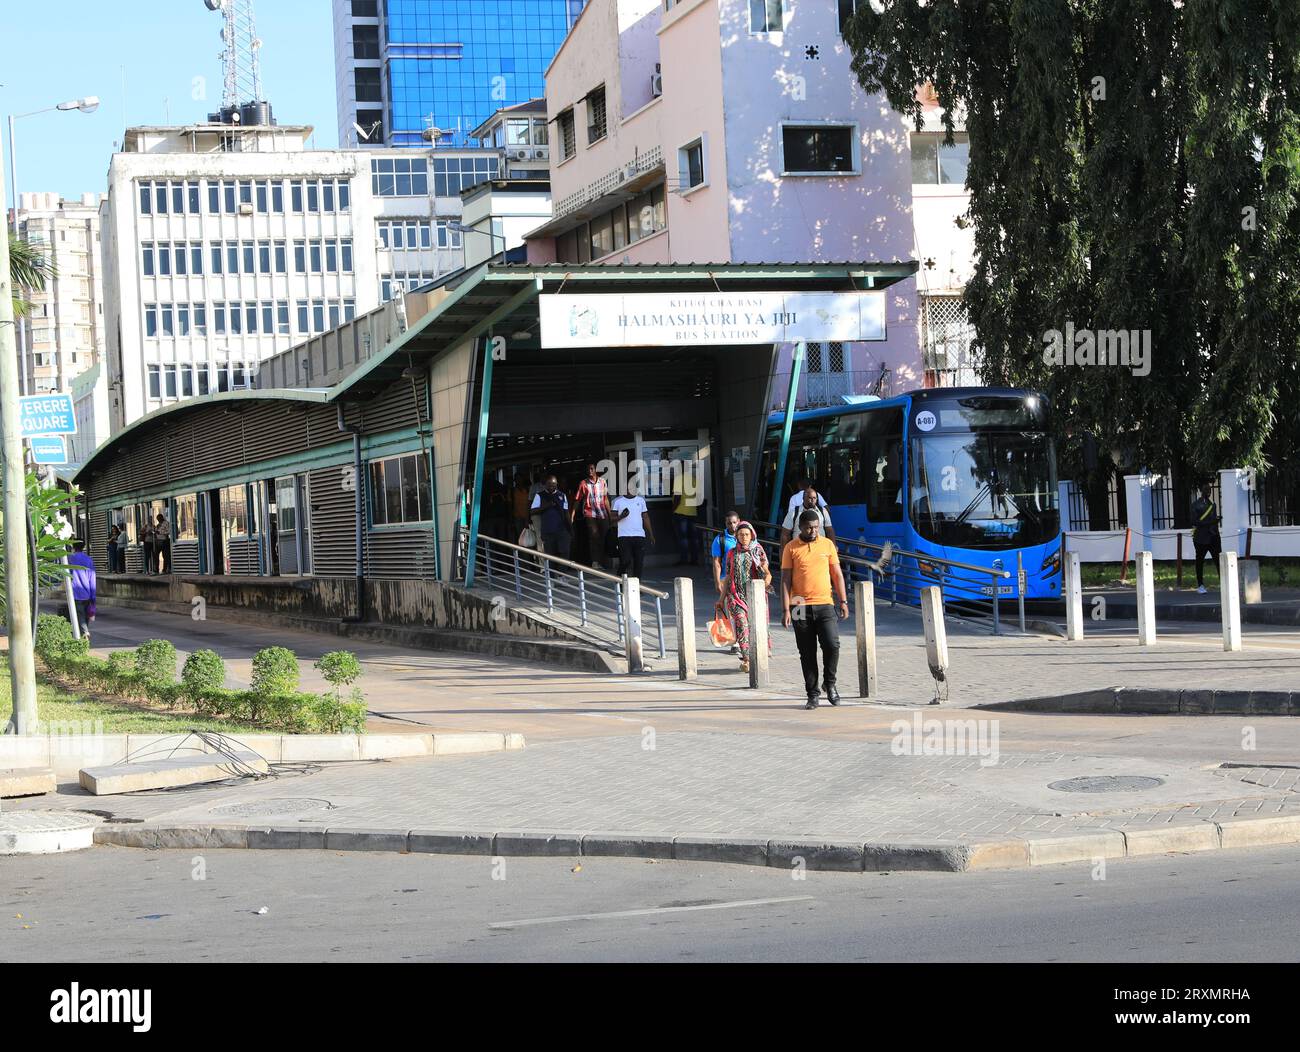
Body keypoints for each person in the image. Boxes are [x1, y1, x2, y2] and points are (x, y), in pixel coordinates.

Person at [781, 508, 849, 709]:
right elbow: (785, 580)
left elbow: (837, 575)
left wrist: (843, 601)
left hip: (825, 602)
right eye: (809, 528)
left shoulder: (827, 544)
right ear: (800, 528)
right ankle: (812, 694)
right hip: (799, 604)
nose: (813, 531)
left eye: (816, 527)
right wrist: (786, 609)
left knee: (832, 644)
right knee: (806, 651)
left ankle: (830, 683)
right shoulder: (791, 548)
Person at [723, 521, 773, 674]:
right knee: (742, 624)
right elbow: (728, 577)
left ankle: (760, 653)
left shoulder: (757, 550)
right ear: (736, 536)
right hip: (736, 596)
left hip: (755, 596)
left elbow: (768, 574)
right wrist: (720, 599)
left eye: (746, 534)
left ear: (752, 535)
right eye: (740, 535)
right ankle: (746, 660)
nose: (744, 537)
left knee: (756, 626)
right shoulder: (732, 553)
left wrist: (764, 584)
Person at [572, 461, 613, 570]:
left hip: (602, 513)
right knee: (594, 536)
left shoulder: (603, 482)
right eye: (588, 469)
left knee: (604, 537)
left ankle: (604, 561)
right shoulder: (583, 483)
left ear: (595, 470)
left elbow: (606, 500)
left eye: (592, 469)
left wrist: (610, 516)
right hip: (590, 513)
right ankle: (595, 562)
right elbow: (577, 499)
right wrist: (572, 514)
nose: (590, 471)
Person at [612, 482, 656, 579]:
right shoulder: (618, 501)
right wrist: (621, 516)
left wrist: (651, 534)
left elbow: (645, 517)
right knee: (625, 561)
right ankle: (619, 580)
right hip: (624, 536)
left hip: (639, 535)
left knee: (639, 562)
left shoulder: (641, 500)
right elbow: (612, 519)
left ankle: (637, 586)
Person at [530, 475, 572, 558]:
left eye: (553, 484)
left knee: (563, 552)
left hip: (561, 530)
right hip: (547, 531)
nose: (551, 486)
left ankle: (561, 571)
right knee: (550, 556)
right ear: (545, 484)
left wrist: (570, 528)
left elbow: (566, 513)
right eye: (549, 484)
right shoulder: (539, 495)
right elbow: (532, 511)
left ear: (557, 484)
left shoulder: (562, 495)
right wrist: (547, 505)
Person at [1191, 483, 1221, 595]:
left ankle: (1223, 582)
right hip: (1201, 538)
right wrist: (1210, 522)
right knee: (1200, 562)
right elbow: (1194, 521)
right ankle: (1200, 585)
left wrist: (1216, 523)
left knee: (1219, 561)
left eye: (1209, 490)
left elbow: (1213, 520)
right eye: (1206, 490)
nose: (1208, 492)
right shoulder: (1195, 505)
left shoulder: (1212, 504)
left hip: (1213, 537)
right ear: (1201, 491)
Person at [671, 467, 702, 566]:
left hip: (680, 511)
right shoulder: (694, 479)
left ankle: (684, 560)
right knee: (694, 538)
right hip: (692, 511)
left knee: (682, 537)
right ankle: (695, 560)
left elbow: (677, 497)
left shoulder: (679, 479)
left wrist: (673, 510)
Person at [68, 539, 97, 638]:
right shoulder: (88, 559)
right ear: (83, 547)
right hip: (87, 592)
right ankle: (85, 633)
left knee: (80, 615)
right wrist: (93, 595)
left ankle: (85, 632)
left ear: (73, 547)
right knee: (85, 615)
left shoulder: (70, 558)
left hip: (75, 592)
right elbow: (92, 578)